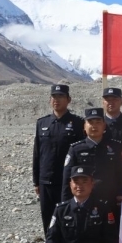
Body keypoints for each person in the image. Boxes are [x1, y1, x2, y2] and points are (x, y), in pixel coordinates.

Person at [33, 84, 86, 234]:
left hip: (67, 181)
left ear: (69, 100)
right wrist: (36, 181)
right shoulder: (42, 123)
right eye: (54, 97)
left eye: (61, 96)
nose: (57, 100)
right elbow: (37, 153)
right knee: (48, 217)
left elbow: (81, 153)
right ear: (50, 100)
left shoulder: (77, 123)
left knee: (68, 217)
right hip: (46, 181)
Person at [61, 108, 122, 211]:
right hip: (84, 201)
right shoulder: (76, 149)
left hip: (110, 199)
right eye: (90, 122)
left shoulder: (115, 147)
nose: (94, 126)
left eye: (98, 122)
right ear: (84, 126)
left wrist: (121, 193)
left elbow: (121, 173)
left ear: (104, 125)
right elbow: (67, 178)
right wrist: (66, 205)